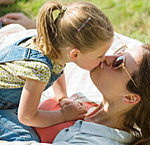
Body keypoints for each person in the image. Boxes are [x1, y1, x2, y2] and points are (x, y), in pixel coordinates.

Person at [1, 44, 150, 145]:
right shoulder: (90, 101)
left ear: (130, 97)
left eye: (119, 63)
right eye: (119, 51)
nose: (107, 57)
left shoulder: (95, 142)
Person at [0, 0, 114, 142]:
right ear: (75, 54)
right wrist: (63, 115)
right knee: (25, 138)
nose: (104, 59)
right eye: (100, 56)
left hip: (8, 99)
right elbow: (27, 117)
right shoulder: (40, 68)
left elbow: (56, 69)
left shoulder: (51, 46)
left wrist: (62, 97)